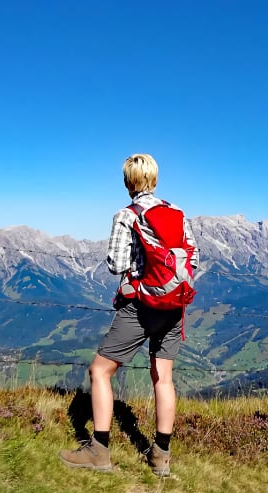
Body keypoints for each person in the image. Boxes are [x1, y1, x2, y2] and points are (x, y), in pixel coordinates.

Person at [59, 153, 199, 476]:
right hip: (174, 306)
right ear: (155, 179)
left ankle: (99, 450)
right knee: (163, 377)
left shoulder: (126, 215)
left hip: (141, 306)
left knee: (100, 371)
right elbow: (193, 257)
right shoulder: (177, 213)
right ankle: (160, 456)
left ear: (127, 182)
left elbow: (115, 264)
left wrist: (141, 271)